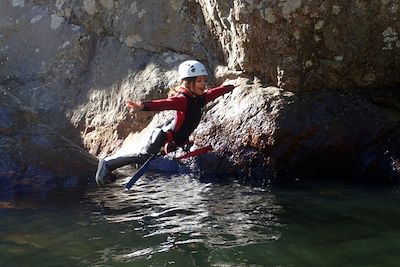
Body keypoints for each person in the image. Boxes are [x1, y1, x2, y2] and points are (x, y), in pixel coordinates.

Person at [95, 60, 238, 186]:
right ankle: (107, 164)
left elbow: (215, 92)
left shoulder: (200, 98)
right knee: (144, 157)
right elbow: (163, 104)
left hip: (177, 141)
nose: (203, 84)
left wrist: (231, 87)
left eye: (204, 81)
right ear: (188, 83)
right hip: (161, 138)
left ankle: (120, 173)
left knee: (147, 161)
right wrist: (143, 106)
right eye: (199, 81)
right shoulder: (182, 99)